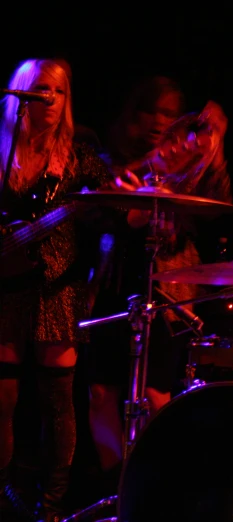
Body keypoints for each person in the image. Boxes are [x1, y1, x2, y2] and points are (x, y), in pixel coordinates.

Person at [84, 75, 232, 497]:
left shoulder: (195, 165)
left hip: (168, 289)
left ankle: (155, 483)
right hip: (113, 282)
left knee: (154, 391)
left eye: (167, 114)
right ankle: (114, 485)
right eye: (150, 111)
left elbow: (216, 209)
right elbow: (93, 210)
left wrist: (213, 148)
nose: (156, 121)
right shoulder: (111, 158)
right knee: (101, 390)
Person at [0, 58, 113, 522]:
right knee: (3, 399)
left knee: (58, 405)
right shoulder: (3, 150)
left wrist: (134, 208)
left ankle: (52, 505)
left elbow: (112, 205)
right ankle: (5, 494)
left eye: (59, 92)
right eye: (42, 89)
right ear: (22, 93)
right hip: (6, 287)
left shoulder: (80, 151)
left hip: (57, 286)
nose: (50, 99)